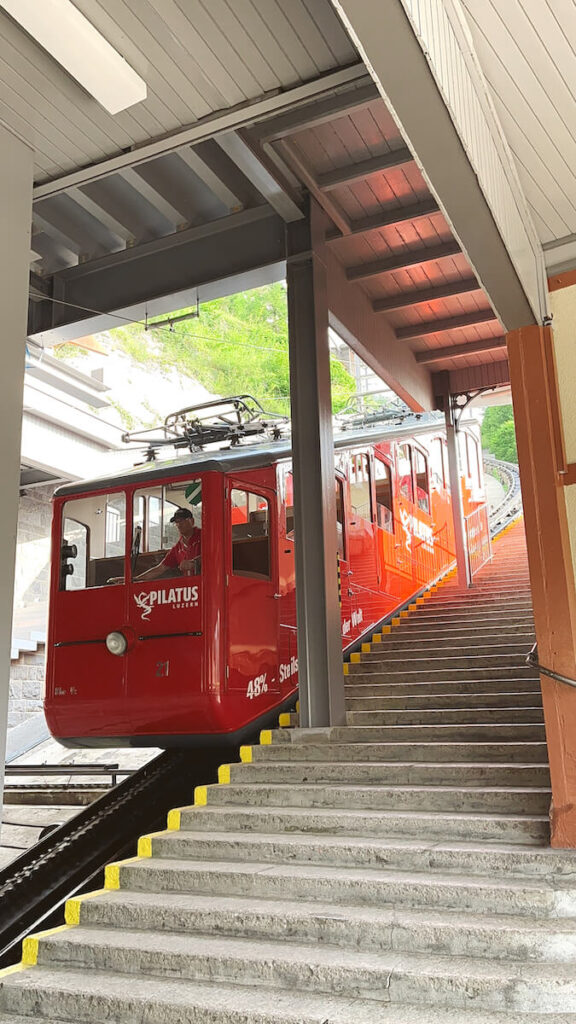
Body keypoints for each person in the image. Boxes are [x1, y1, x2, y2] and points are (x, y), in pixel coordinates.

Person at [108, 507, 201, 584]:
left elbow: (213, 555)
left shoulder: (204, 537)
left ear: (192, 521)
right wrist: (134, 579)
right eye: (176, 522)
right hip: (189, 588)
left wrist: (194, 563)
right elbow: (160, 568)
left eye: (182, 521)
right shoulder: (177, 548)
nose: (179, 525)